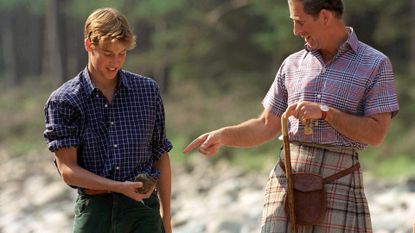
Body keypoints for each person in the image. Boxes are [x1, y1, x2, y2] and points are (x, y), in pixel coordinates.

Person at [183, 0, 399, 232]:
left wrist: (326, 113)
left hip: (340, 181)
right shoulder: (292, 64)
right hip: (286, 181)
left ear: (325, 17)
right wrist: (223, 135)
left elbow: (376, 134)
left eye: (300, 21)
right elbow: (265, 125)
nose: (296, 31)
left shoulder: (375, 64)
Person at [43, 8, 172, 233]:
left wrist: (166, 218)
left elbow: (160, 154)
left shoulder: (147, 91)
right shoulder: (64, 100)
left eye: (122, 53)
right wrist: (119, 187)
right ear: (88, 45)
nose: (115, 62)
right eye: (107, 53)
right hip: (95, 212)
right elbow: (67, 169)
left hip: (143, 211)